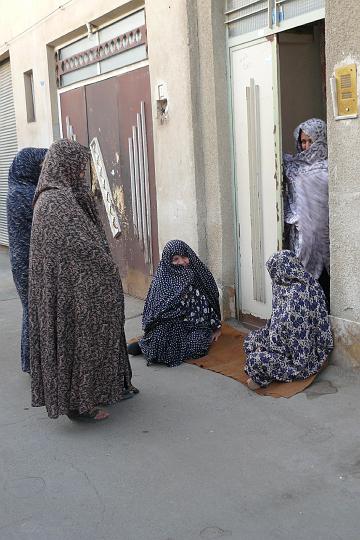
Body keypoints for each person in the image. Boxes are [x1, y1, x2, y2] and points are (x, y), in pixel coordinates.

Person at [29, 138, 138, 421]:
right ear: (64, 166)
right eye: (78, 168)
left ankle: (106, 388)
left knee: (96, 338)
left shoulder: (61, 196)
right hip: (71, 292)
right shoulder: (54, 201)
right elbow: (80, 246)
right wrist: (106, 268)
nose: (82, 174)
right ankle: (79, 405)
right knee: (78, 344)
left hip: (74, 289)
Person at [244, 250, 333, 390]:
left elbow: (297, 337)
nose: (273, 276)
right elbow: (276, 321)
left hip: (300, 354)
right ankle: (266, 366)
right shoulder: (283, 286)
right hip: (281, 341)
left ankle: (263, 377)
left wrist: (270, 347)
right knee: (250, 340)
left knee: (255, 360)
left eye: (273, 272)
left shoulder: (300, 293)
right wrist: (267, 338)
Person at [128, 239, 222, 367]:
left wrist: (217, 328)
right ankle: (146, 344)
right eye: (176, 259)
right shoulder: (162, 279)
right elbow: (154, 312)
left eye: (184, 257)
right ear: (169, 261)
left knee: (198, 345)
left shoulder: (199, 274)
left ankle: (152, 347)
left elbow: (210, 303)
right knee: (160, 340)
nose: (182, 262)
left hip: (196, 325)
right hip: (170, 324)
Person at [7, 147, 48, 373]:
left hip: (21, 261)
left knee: (30, 310)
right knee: (34, 311)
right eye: (40, 166)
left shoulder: (17, 189)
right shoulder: (26, 195)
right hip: (29, 262)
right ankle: (34, 363)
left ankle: (29, 362)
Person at [283, 118, 330, 305]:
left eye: (311, 141)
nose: (307, 146)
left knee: (324, 281)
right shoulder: (293, 166)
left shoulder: (330, 166)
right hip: (300, 234)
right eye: (303, 141)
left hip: (325, 236)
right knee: (303, 280)